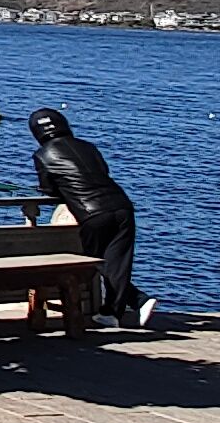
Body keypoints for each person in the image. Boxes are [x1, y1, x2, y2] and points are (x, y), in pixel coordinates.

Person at [29, 107, 161, 329]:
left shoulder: (43, 155)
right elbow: (103, 171)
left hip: (92, 212)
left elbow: (48, 188)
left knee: (95, 262)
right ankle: (113, 313)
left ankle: (137, 301)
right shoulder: (88, 147)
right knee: (118, 262)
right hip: (121, 204)